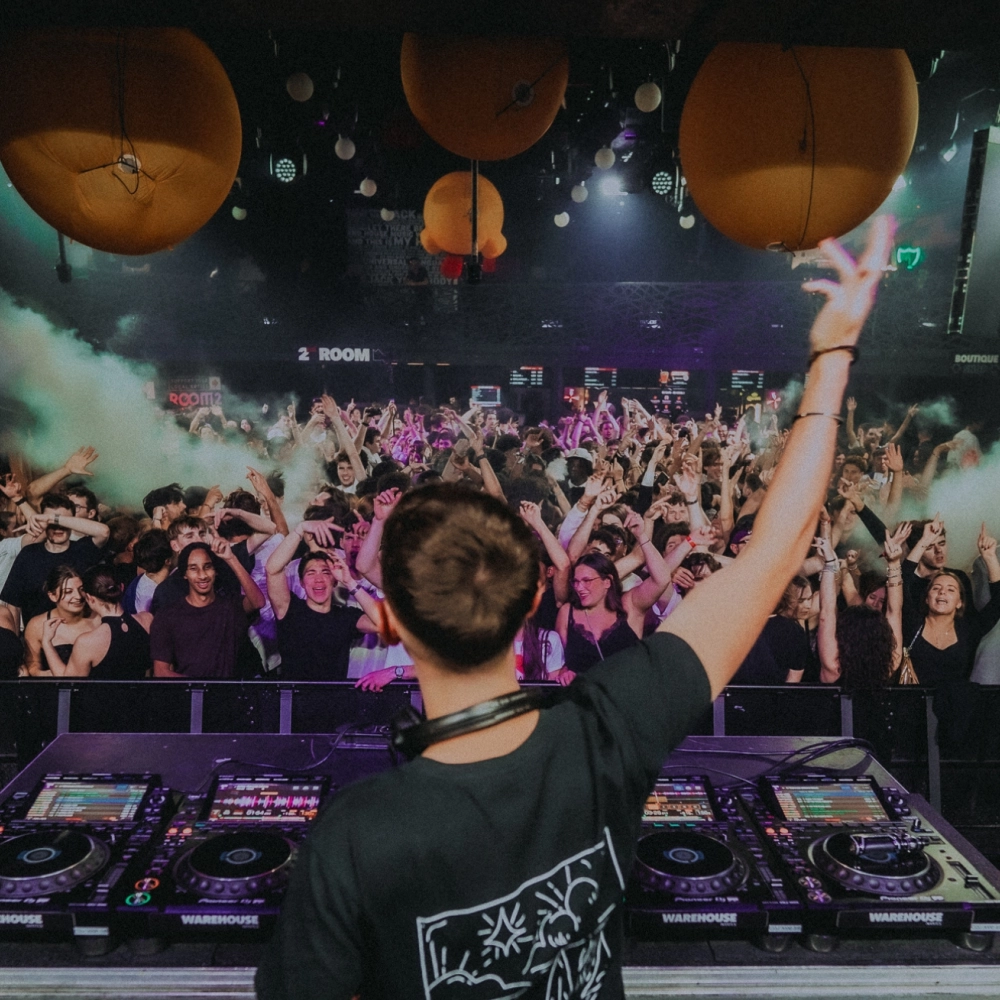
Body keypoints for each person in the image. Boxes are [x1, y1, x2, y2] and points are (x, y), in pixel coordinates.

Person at [256, 216, 894, 1000]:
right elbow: (772, 555)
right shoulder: (606, 733)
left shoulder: (353, 838)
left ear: (396, 622)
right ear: (534, 594)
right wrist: (832, 355)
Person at [265, 519, 381, 681]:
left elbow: (380, 623)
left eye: (325, 572)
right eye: (311, 573)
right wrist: (299, 530)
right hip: (294, 695)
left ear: (334, 580)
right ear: (301, 582)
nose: (318, 579)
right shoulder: (290, 609)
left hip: (333, 696)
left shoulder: (345, 617)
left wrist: (350, 582)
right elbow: (272, 569)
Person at [150, 537, 265, 679]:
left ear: (215, 570)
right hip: (191, 691)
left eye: (207, 567)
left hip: (231, 691)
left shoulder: (229, 606)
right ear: (185, 574)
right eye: (193, 568)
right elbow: (161, 672)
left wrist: (231, 558)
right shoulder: (167, 616)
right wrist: (199, 687)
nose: (202, 575)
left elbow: (258, 602)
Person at [1, 493, 110, 630]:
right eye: (51, 524)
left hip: (82, 635)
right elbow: (13, 604)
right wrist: (14, 639)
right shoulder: (29, 554)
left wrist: (52, 518)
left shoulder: (83, 549)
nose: (58, 528)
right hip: (38, 636)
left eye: (62, 522)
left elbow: (104, 532)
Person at [39, 565, 152, 679]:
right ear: (121, 587)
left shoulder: (87, 642)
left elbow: (68, 682)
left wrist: (46, 643)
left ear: (89, 598)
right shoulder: (147, 619)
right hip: (143, 690)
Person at [25, 566, 102, 675]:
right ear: (52, 596)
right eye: (68, 591)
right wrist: (49, 675)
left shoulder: (99, 619)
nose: (78, 596)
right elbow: (32, 666)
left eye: (81, 589)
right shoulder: (36, 625)